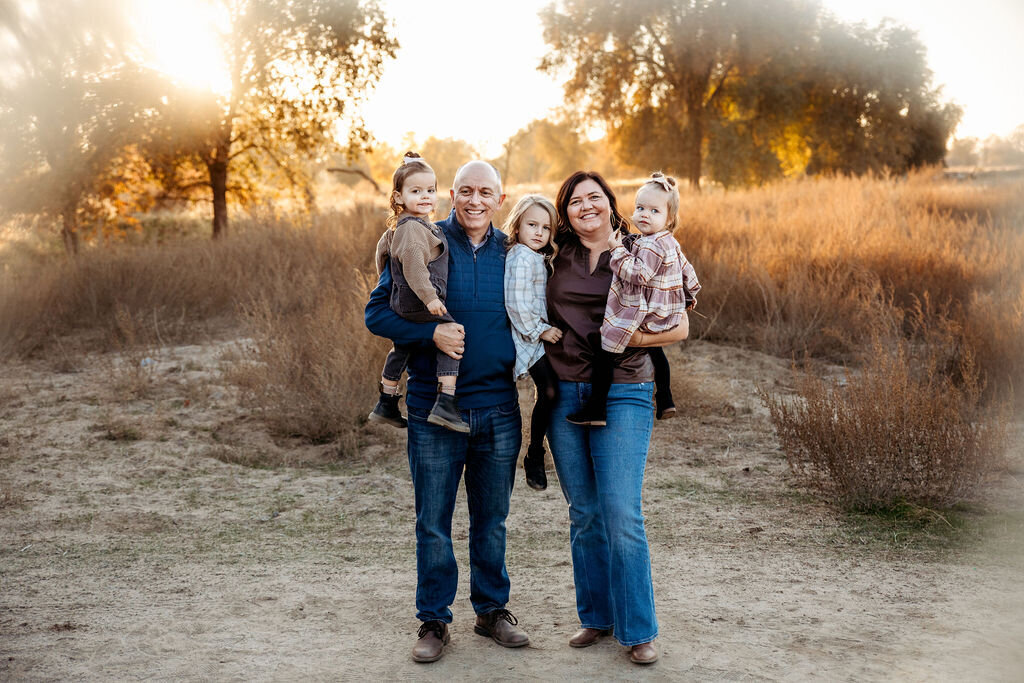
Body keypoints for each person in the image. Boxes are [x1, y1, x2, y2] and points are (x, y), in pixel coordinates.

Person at [364, 160, 530, 664]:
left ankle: (491, 611)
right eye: (466, 191)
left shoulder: (515, 252)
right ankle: (434, 620)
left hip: (499, 409)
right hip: (433, 409)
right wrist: (430, 333)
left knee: (492, 518)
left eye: (486, 192)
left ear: (500, 200)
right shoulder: (423, 239)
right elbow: (377, 313)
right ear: (452, 195)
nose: (475, 200)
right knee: (432, 520)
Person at [545, 170, 689, 666]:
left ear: (610, 202)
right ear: (565, 212)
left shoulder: (643, 245)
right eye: (575, 201)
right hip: (564, 392)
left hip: (625, 388)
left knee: (621, 512)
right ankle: (597, 618)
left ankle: (638, 629)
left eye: (595, 197)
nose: (586, 206)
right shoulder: (551, 255)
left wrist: (627, 340)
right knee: (583, 512)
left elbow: (681, 323)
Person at [566, 172, 700, 426]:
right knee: (656, 351)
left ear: (670, 218)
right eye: (640, 208)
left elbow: (639, 274)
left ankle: (596, 408)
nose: (644, 215)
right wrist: (689, 296)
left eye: (654, 211)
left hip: (645, 314)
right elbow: (687, 271)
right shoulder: (670, 243)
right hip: (663, 313)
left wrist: (617, 251)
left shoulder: (649, 245)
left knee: (604, 347)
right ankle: (666, 398)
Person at [368, 152, 469, 433]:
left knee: (404, 344)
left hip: (403, 303)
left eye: (430, 190)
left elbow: (382, 254)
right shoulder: (414, 228)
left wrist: (390, 283)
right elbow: (413, 266)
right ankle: (446, 401)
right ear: (398, 197)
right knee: (452, 334)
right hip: (421, 302)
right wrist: (430, 298)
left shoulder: (400, 228)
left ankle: (386, 400)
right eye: (416, 191)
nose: (425, 196)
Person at [502, 194, 563, 491]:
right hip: (527, 337)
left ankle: (536, 450)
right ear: (517, 227)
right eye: (532, 225)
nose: (539, 232)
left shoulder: (534, 256)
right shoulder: (521, 257)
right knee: (550, 391)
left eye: (546, 228)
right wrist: (540, 330)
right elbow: (515, 303)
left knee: (551, 391)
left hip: (536, 335)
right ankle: (534, 452)